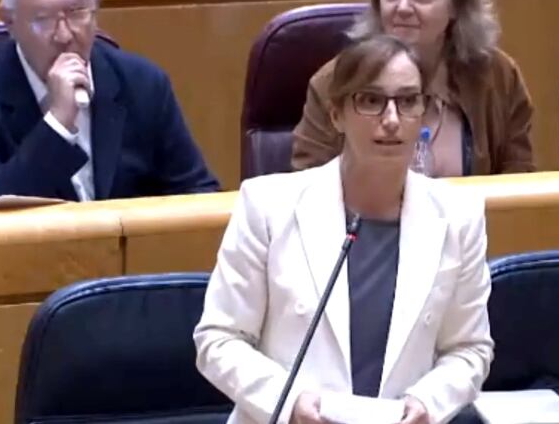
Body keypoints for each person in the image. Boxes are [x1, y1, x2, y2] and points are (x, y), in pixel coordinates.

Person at [195, 35, 493, 424]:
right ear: (336, 114)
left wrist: (428, 402)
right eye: (370, 100)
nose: (392, 119)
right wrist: (289, 403)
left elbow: (469, 349)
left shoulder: (458, 216)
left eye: (408, 101)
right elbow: (218, 339)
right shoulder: (267, 207)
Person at [0, 0, 219, 203]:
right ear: (9, 21)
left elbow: (199, 193)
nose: (64, 35)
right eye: (43, 19)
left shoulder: (143, 83)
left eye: (76, 12)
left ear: (95, 8)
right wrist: (57, 126)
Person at [292, 0, 534, 177]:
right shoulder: (333, 81)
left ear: (455, 6)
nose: (403, 7)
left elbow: (518, 182)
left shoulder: (498, 76)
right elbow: (308, 185)